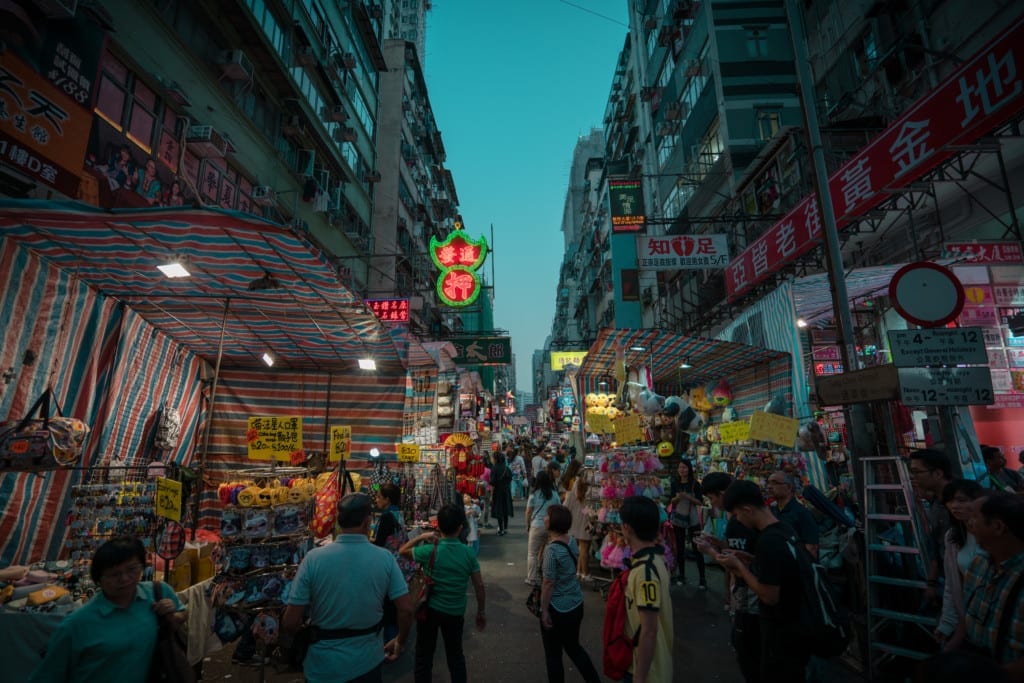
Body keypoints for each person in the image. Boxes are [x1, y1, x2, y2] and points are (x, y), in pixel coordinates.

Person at [283, 493, 413, 683]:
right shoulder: (384, 558)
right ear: (367, 522)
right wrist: (400, 641)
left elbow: (290, 622)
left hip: (322, 665)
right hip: (367, 663)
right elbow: (406, 609)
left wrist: (308, 634)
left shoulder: (313, 559)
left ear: (338, 521)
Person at [30, 536, 186, 683]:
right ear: (99, 579)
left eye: (132, 569)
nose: (124, 578)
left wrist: (174, 617)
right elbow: (47, 676)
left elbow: (183, 613)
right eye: (114, 574)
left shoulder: (158, 592)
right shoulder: (76, 625)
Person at [717, 481, 809, 683]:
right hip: (796, 627)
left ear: (747, 509)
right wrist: (749, 559)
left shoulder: (769, 541)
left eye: (738, 515)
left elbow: (769, 595)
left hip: (782, 633)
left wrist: (740, 567)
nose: (738, 520)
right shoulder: (783, 529)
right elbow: (780, 568)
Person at [400, 503, 486, 683]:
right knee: (455, 657)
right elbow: (479, 585)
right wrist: (481, 611)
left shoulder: (430, 550)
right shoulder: (467, 553)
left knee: (424, 656)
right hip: (455, 611)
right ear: (461, 527)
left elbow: (402, 551)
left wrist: (422, 536)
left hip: (429, 610)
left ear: (438, 526)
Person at [961, 492, 1024, 676]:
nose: (969, 522)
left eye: (974, 517)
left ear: (997, 527)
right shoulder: (977, 565)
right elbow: (969, 617)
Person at [537, 504, 602, 683]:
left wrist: (544, 610)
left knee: (553, 655)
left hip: (558, 608)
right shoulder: (571, 540)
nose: (544, 518)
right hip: (575, 603)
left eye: (548, 516)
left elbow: (548, 582)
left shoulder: (552, 550)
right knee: (574, 648)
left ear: (554, 522)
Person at [619, 495, 674, 683]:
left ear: (627, 528)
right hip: (655, 664)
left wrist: (640, 677)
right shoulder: (658, 559)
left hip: (647, 670)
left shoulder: (645, 571)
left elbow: (649, 630)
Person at [936, 479, 987, 652]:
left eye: (962, 500)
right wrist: (947, 623)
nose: (954, 506)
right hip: (969, 622)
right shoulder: (952, 537)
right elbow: (952, 583)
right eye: (950, 501)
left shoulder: (995, 534)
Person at [910, 448, 953, 605]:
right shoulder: (935, 503)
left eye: (916, 472)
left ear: (938, 474)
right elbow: (936, 544)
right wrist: (932, 582)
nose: (913, 477)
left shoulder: (959, 503)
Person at [373, 483, 415, 642]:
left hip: (389, 562)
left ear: (387, 499)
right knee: (395, 602)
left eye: (379, 497)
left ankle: (390, 641)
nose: (377, 500)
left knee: (388, 605)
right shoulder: (398, 513)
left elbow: (380, 542)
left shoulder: (386, 517)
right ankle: (397, 636)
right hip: (401, 562)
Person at [670, 459, 707, 588]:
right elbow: (672, 502)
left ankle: (702, 579)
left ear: (689, 469)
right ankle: (681, 575)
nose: (682, 470)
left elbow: (700, 502)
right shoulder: (675, 483)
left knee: (697, 548)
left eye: (684, 468)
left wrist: (689, 497)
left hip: (693, 519)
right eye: (680, 467)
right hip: (679, 518)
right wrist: (678, 497)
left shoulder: (695, 484)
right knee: (680, 548)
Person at [767, 471, 819, 559]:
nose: (769, 487)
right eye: (769, 483)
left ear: (789, 487)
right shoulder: (772, 511)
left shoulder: (802, 513)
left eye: (775, 483)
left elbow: (812, 547)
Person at [527, 470, 559, 584]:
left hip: (536, 525)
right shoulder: (554, 494)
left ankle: (532, 578)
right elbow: (558, 509)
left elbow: (529, 511)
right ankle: (548, 576)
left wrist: (528, 524)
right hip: (550, 527)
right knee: (549, 553)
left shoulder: (534, 494)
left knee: (532, 553)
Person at [563, 476, 593, 580]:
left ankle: (578, 571)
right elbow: (589, 512)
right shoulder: (588, 496)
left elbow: (565, 507)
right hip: (585, 525)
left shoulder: (571, 494)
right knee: (584, 550)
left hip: (573, 525)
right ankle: (584, 573)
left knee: (577, 550)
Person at [490, 451, 513, 536]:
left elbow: (492, 483)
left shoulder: (494, 468)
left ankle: (500, 529)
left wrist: (491, 496)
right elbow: (510, 478)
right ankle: (505, 528)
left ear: (495, 459)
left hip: (498, 491)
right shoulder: (506, 468)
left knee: (499, 509)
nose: (491, 459)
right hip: (506, 491)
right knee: (505, 509)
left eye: (492, 458)